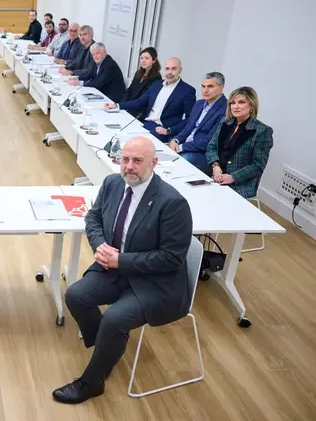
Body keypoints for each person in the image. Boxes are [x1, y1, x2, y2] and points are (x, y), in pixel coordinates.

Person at [53, 136, 193, 404]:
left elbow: (171, 258)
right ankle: (107, 350)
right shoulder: (112, 183)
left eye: (137, 161)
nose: (129, 166)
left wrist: (122, 261)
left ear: (154, 163)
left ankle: (92, 382)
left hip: (155, 282)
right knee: (75, 295)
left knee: (114, 319)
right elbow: (93, 218)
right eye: (124, 159)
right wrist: (101, 245)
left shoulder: (172, 203)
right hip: (115, 269)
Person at [206, 87, 274, 198]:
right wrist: (215, 166)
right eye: (233, 103)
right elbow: (211, 147)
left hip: (240, 183)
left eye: (241, 102)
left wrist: (232, 177)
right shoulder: (225, 121)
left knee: (211, 199)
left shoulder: (262, 131)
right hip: (216, 173)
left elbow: (258, 165)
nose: (235, 106)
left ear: (251, 105)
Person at [107, 57, 195, 142]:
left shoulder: (187, 91)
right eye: (167, 69)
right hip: (144, 123)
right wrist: (117, 105)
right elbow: (139, 102)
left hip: (161, 130)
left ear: (180, 70)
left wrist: (169, 130)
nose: (170, 72)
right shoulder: (157, 84)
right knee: (117, 134)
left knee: (136, 143)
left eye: (174, 69)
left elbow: (190, 119)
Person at [168, 72, 228, 170]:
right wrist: (175, 140)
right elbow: (187, 128)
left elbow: (208, 142)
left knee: (177, 163)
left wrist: (181, 147)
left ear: (221, 87)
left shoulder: (225, 109)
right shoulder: (199, 104)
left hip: (203, 154)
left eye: (210, 86)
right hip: (185, 146)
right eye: (203, 86)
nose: (205, 90)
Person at [121, 47, 162, 116]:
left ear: (154, 60)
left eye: (147, 58)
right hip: (130, 106)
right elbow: (129, 90)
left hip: (140, 111)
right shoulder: (138, 73)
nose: (143, 61)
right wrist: (122, 104)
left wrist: (126, 106)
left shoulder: (156, 78)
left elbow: (144, 100)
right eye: (142, 58)